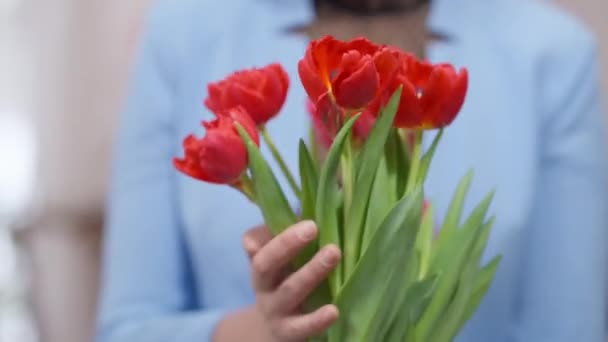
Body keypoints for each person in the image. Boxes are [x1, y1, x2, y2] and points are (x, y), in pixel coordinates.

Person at [96, 0, 608, 341]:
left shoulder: (553, 56)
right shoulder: (180, 36)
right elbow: (127, 329)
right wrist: (259, 329)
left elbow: (569, 330)